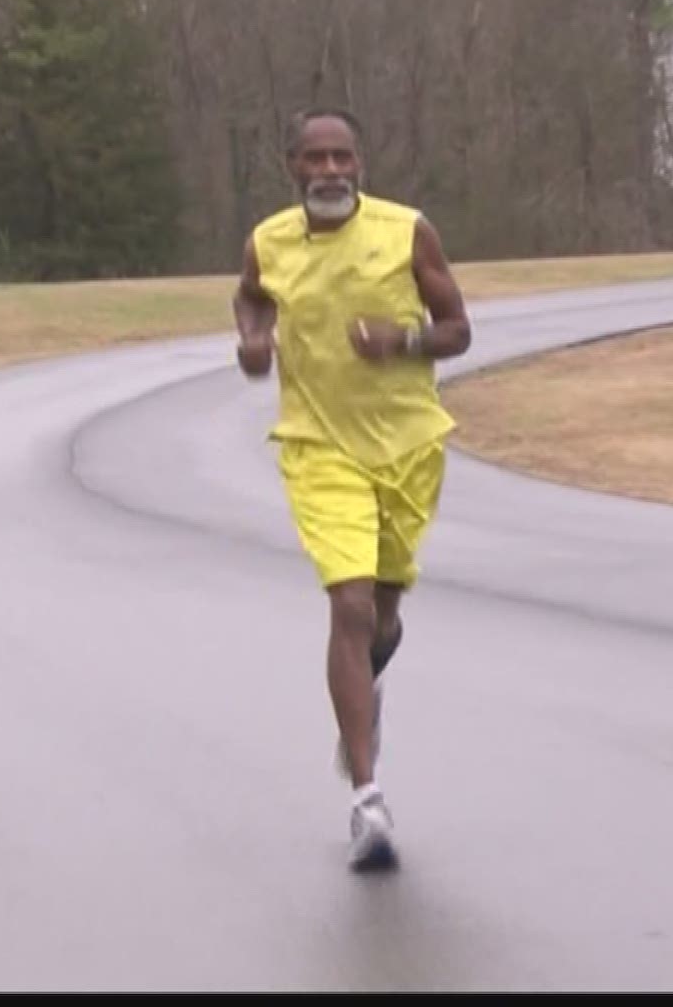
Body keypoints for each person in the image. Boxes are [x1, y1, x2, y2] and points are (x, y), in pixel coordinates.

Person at [232, 107, 473, 871]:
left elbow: (458, 328)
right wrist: (253, 340)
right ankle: (368, 799)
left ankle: (360, 705)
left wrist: (399, 342)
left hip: (407, 447)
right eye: (315, 159)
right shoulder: (269, 242)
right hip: (318, 447)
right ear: (293, 168)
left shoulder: (408, 232)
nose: (330, 171)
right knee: (350, 603)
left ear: (360, 164)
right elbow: (250, 294)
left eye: (342, 158)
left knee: (385, 617)